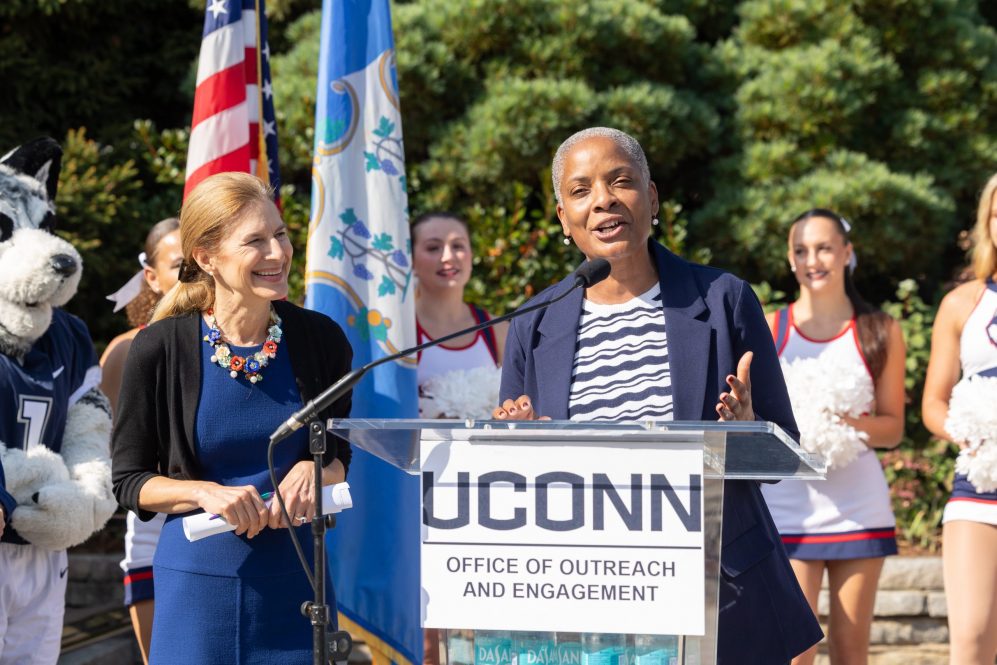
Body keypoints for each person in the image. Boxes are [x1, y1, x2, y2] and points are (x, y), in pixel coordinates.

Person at [493, 127, 822, 664]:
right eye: (581, 190)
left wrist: (747, 429)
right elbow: (520, 474)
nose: (603, 199)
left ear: (652, 198)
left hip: (715, 588)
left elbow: (783, 455)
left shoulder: (723, 300)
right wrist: (514, 441)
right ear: (562, 217)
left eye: (620, 181)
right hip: (586, 587)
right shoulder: (535, 321)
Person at [110, 172, 354, 663]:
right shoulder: (159, 348)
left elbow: (340, 456)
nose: (277, 253)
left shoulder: (321, 341)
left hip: (299, 590)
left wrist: (315, 467)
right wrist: (202, 491)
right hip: (196, 592)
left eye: (280, 235)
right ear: (206, 258)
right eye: (255, 241)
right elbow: (130, 480)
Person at [760, 209, 906, 665]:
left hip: (858, 510)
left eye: (824, 247)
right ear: (790, 259)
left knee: (850, 650)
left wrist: (838, 422)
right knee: (795, 651)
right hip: (790, 512)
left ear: (847, 253)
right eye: (801, 250)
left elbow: (893, 428)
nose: (813, 259)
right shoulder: (770, 328)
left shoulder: (879, 330)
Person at [411, 211, 507, 664]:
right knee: (429, 632)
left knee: (485, 623)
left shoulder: (498, 329)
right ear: (411, 258)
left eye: (458, 246)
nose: (448, 257)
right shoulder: (395, 331)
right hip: (420, 502)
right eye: (433, 247)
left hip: (489, 499)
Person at [922, 173, 997, 665]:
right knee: (971, 642)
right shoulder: (960, 303)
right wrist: (974, 439)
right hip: (979, 488)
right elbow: (933, 404)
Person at [99, 217, 181, 664]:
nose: (194, 272)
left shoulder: (247, 346)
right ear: (151, 276)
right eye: (179, 263)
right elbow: (103, 449)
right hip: (152, 526)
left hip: (233, 520)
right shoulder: (127, 349)